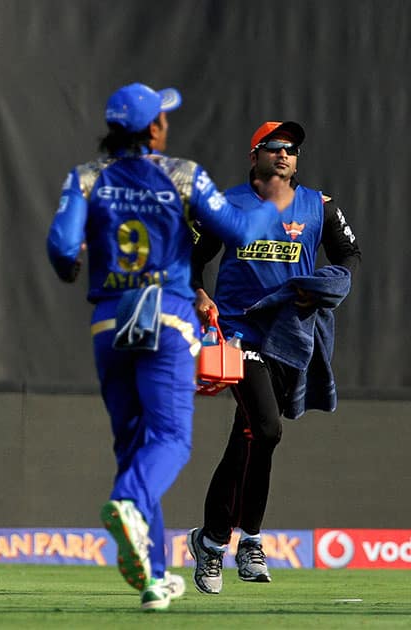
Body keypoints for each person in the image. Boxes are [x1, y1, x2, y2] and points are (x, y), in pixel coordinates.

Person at [46, 83, 285, 611]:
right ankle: (129, 503)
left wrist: (72, 266)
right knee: (171, 438)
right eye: (163, 118)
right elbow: (239, 231)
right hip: (167, 317)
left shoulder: (86, 177)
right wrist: (271, 206)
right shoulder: (181, 173)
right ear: (154, 129)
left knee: (134, 446)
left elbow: (62, 248)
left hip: (110, 320)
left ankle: (154, 577)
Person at [186, 121, 360, 594]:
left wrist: (322, 290)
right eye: (275, 147)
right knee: (266, 429)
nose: (285, 155)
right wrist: (200, 293)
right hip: (240, 331)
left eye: (292, 149)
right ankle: (246, 540)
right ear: (255, 155)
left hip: (290, 337)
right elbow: (190, 260)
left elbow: (348, 258)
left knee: (249, 439)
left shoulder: (319, 206)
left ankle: (215, 541)